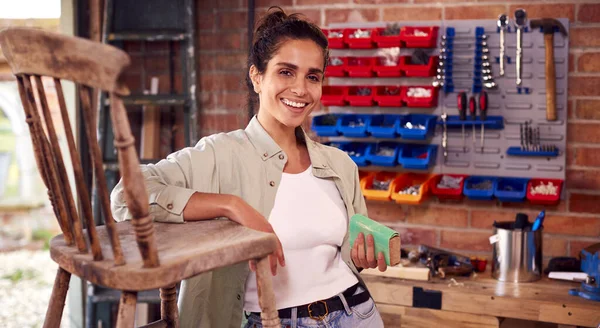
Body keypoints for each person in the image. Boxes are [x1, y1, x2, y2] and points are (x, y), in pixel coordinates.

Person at [111, 6, 387, 328]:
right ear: (257, 77)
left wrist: (363, 256)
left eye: (313, 76)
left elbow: (348, 255)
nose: (300, 89)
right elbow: (126, 195)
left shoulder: (339, 164)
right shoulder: (219, 154)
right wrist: (232, 206)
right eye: (286, 72)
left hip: (356, 313)